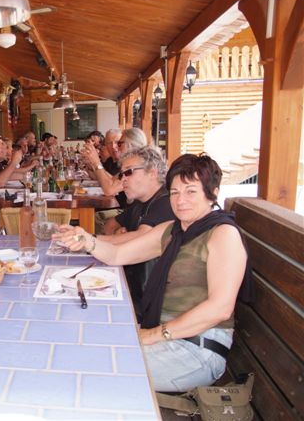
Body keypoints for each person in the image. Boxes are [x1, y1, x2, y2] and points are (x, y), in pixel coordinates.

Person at [54, 153, 252, 392]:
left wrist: (153, 334)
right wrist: (87, 240)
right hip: (166, 334)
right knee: (81, 340)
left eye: (191, 191)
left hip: (198, 349)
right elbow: (118, 255)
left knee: (96, 364)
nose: (181, 200)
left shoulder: (222, 234)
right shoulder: (173, 230)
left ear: (213, 193)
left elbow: (220, 308)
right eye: (175, 192)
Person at [99, 146, 175, 318]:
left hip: (149, 305)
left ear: (152, 173)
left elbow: (141, 236)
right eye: (121, 174)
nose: (123, 179)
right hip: (131, 287)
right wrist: (117, 234)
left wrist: (88, 240)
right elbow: (110, 224)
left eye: (129, 172)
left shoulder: (165, 203)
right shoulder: (139, 202)